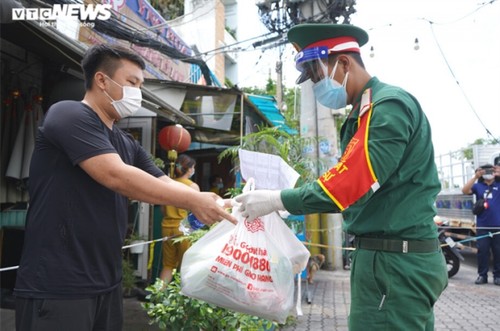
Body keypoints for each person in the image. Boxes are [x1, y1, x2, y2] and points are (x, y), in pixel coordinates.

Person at [234, 24, 448, 330]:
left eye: (319, 77)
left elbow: (348, 184)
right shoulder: (363, 112)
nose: (318, 87)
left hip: (394, 263)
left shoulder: (388, 107)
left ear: (344, 63)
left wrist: (276, 199)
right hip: (387, 257)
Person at [14, 44, 235, 331]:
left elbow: (164, 182)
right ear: (102, 80)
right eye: (131, 83)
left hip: (107, 283)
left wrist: (220, 204)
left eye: (141, 85)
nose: (137, 93)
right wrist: (195, 203)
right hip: (58, 285)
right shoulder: (68, 115)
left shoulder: (125, 142)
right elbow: (117, 176)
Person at [160, 154, 200, 283]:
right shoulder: (192, 186)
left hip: (166, 227)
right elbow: (197, 211)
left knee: (168, 265)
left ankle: (158, 296)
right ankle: (181, 300)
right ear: (189, 169)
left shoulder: (168, 184)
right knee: (185, 266)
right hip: (184, 229)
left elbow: (162, 209)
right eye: (193, 167)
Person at [462, 164, 500, 285]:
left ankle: (498, 276)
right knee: (482, 251)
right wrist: (475, 176)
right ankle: (482, 275)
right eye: (486, 171)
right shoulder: (478, 186)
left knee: (498, 252)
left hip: (498, 226)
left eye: (491, 170)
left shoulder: (498, 185)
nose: (489, 173)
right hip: (482, 226)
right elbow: (465, 190)